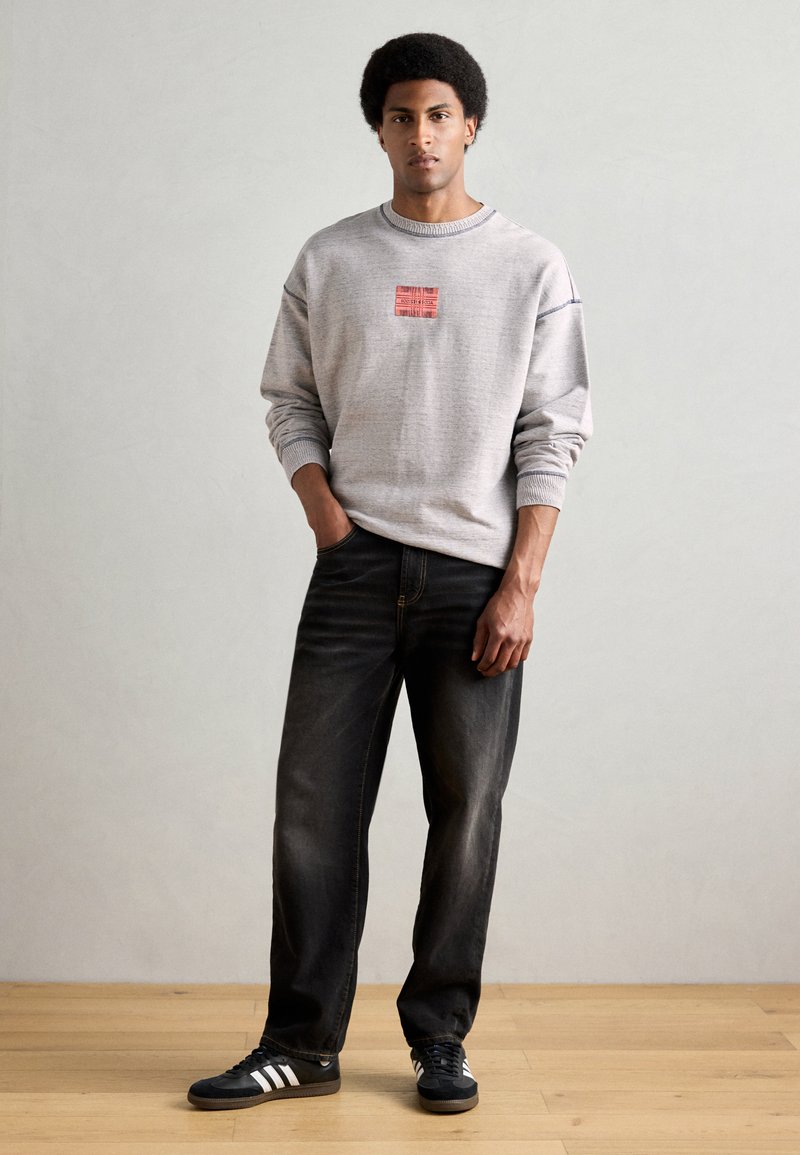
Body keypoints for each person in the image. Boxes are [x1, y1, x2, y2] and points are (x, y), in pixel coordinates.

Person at [188, 30, 592, 1116]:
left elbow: (554, 428)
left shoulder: (530, 265)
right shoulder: (332, 259)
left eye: (440, 115)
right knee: (312, 811)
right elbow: (289, 400)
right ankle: (299, 1042)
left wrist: (521, 582)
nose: (422, 134)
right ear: (378, 130)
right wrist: (328, 521)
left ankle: (438, 1038)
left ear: (471, 127)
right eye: (402, 116)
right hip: (355, 575)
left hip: (474, 580)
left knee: (466, 813)